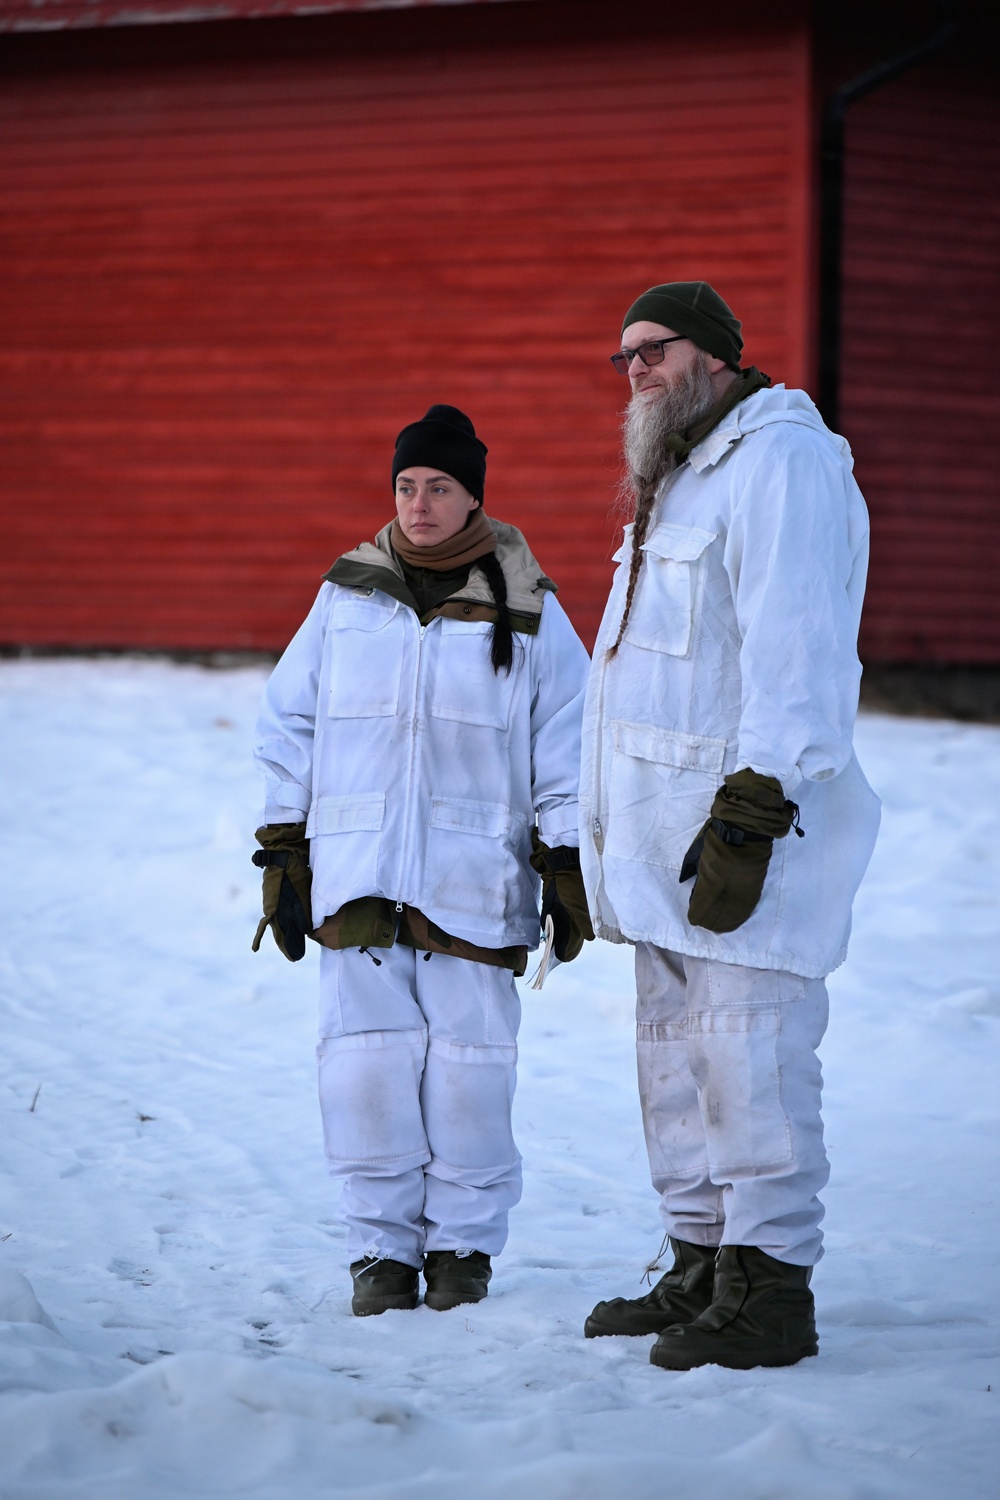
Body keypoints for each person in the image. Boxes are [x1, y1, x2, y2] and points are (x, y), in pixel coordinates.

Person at [579, 282, 881, 1370]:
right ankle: (702, 1262)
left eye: (652, 349)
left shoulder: (781, 461)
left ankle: (770, 1287)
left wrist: (754, 810)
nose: (636, 371)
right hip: (662, 840)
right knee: (677, 1058)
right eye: (623, 357)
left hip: (744, 829)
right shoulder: (682, 476)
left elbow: (797, 646)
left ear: (712, 354)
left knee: (750, 1054)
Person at [252, 404, 592, 1317]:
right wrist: (283, 843)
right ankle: (379, 1253)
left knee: (471, 1074)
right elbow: (290, 723)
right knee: (362, 1069)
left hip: (473, 880)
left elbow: (569, 744)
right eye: (406, 485)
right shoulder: (348, 595)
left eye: (439, 486)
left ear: (473, 496)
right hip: (357, 874)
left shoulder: (529, 605)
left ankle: (462, 1252)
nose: (418, 503)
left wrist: (566, 857)